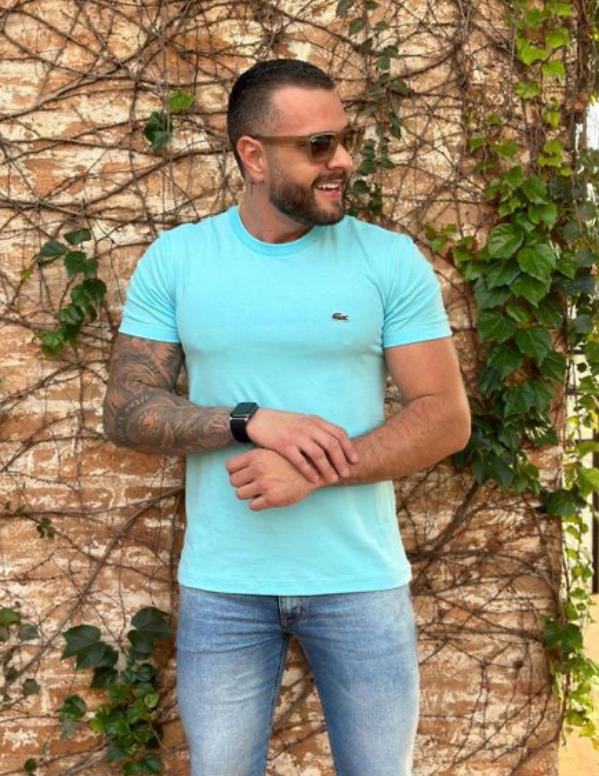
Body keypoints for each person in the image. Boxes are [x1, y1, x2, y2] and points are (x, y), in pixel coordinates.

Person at [103, 59, 471, 776]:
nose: (343, 161)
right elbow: (128, 409)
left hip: (360, 582)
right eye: (317, 146)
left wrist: (315, 471)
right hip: (224, 586)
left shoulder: (388, 260)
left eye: (346, 139)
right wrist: (250, 420)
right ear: (252, 155)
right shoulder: (179, 259)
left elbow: (444, 417)